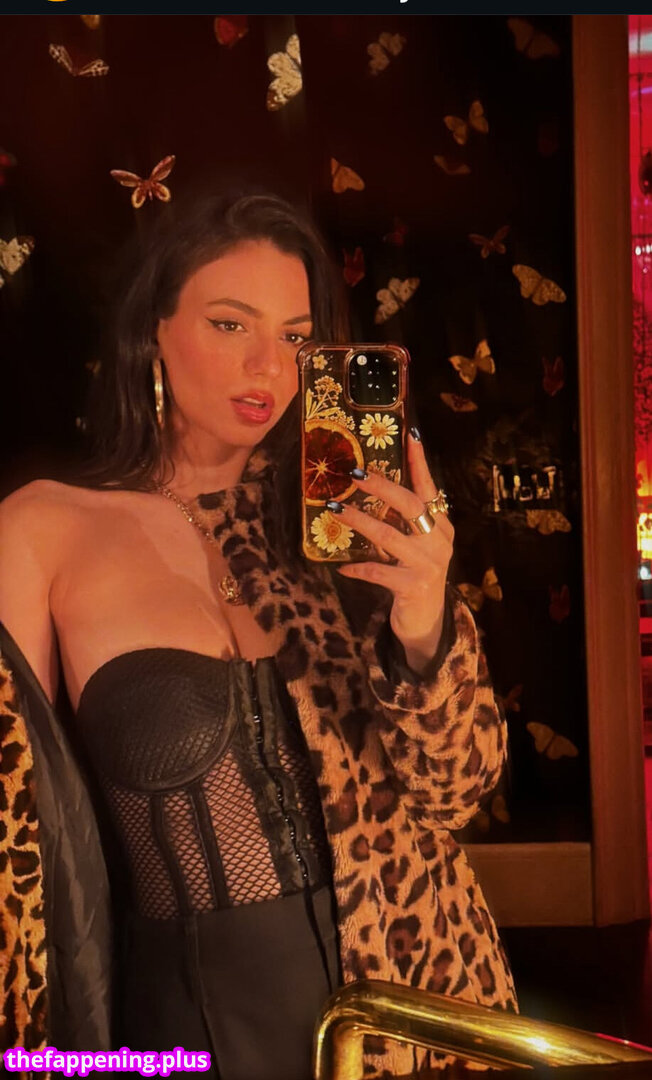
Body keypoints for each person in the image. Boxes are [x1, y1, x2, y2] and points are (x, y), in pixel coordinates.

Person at [0, 191, 517, 1080]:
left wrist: (426, 619)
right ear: (154, 331)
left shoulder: (346, 527)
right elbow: (16, 835)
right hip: (191, 1028)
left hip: (413, 1005)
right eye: (230, 323)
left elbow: (456, 794)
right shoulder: (43, 530)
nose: (267, 366)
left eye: (295, 337)